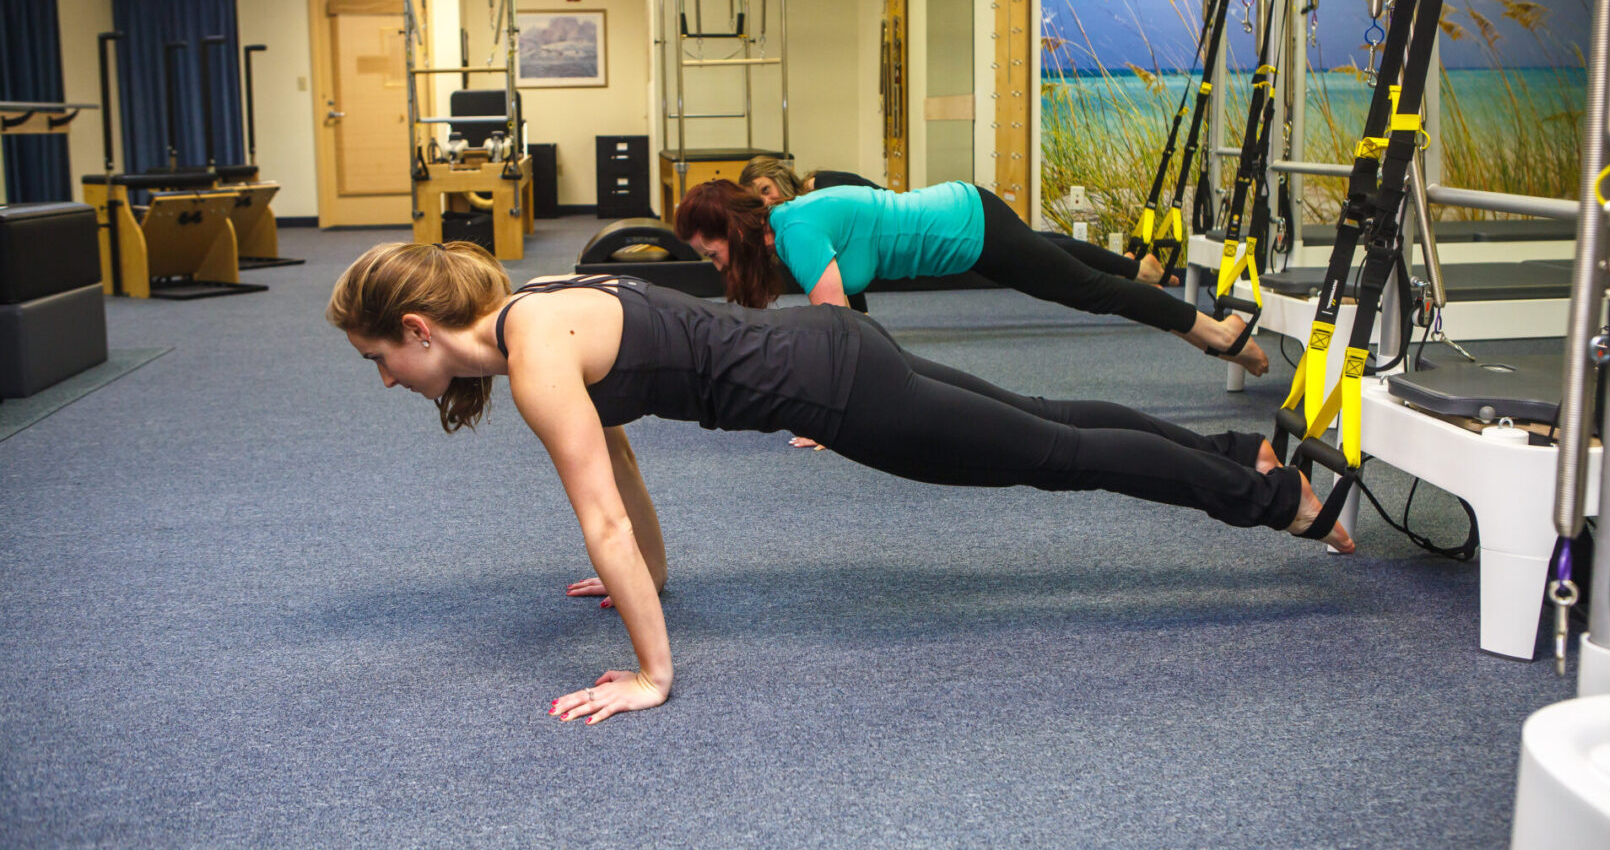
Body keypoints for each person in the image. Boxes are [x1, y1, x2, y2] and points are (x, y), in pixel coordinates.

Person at [328, 241, 1352, 725]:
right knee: (1047, 427)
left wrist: (652, 673)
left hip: (839, 393)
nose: (385, 380)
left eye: (382, 358)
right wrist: (651, 572)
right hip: (832, 343)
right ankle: (1238, 456)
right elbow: (624, 466)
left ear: (418, 330)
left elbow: (597, 509)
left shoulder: (537, 355)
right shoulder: (537, 301)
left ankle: (1280, 505)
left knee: (1055, 458)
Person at [675, 179, 1266, 376]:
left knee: (1087, 293)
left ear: (731, 229)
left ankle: (1215, 333)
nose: (714, 264)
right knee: (1049, 257)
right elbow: (852, 307)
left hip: (967, 226)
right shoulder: (787, 232)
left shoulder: (797, 231)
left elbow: (836, 328)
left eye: (711, 252)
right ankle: (1142, 269)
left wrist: (828, 413)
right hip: (965, 228)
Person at [737, 155, 1175, 286]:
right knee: (1045, 247)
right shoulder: (793, 228)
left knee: (1051, 254)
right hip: (945, 229)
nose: (767, 200)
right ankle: (1135, 269)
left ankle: (1138, 270)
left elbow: (880, 201)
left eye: (765, 188)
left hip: (950, 220)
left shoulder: (820, 187)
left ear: (778, 177)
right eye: (758, 199)